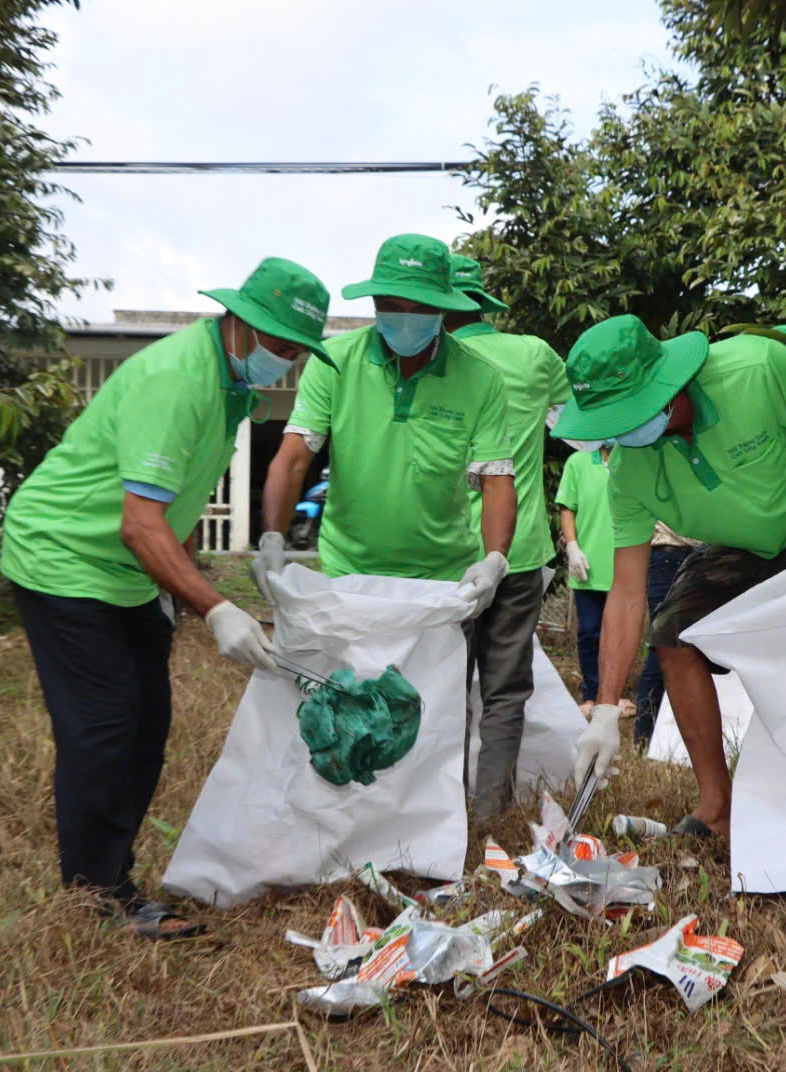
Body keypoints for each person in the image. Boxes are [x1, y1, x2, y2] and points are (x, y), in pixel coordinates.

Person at [0, 257, 331, 937]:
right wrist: (215, 607)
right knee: (104, 725)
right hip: (63, 555)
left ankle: (112, 878)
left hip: (128, 569)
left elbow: (166, 514)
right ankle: (93, 899)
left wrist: (200, 586)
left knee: (147, 725)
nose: (287, 360)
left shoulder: (230, 385)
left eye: (298, 351)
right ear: (238, 321)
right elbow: (139, 522)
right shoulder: (180, 379)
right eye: (279, 343)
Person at [550, 314, 786, 836]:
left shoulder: (756, 367)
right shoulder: (629, 470)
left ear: (665, 386)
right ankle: (719, 807)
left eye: (628, 413)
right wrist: (603, 709)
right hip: (744, 544)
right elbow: (625, 594)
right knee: (673, 633)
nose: (622, 432)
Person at [255, 235, 518, 747]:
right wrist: (271, 538)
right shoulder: (335, 361)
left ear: (444, 308)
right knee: (345, 716)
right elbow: (294, 456)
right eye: (389, 305)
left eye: (420, 307)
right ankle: (346, 824)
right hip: (349, 576)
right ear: (372, 304)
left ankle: (432, 825)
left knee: (433, 721)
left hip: (442, 585)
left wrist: (494, 559)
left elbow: (496, 479)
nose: (403, 318)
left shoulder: (480, 379)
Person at [443, 254, 570, 817]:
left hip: (444, 554)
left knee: (440, 688)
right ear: (485, 306)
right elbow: (569, 426)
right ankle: (489, 811)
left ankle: (435, 810)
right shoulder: (534, 355)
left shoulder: (430, 362)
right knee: (505, 691)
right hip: (517, 553)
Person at [555, 443, 623, 718]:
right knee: (589, 633)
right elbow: (567, 507)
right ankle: (592, 695)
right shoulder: (577, 462)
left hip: (623, 566)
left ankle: (614, 695)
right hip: (588, 565)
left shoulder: (632, 459)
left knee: (618, 634)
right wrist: (572, 547)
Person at [634, 521, 696, 745]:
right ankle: (644, 738)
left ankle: (668, 741)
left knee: (700, 650)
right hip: (669, 554)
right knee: (662, 651)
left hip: (708, 555)